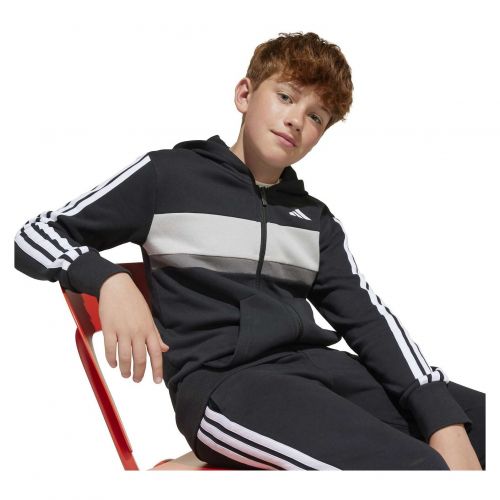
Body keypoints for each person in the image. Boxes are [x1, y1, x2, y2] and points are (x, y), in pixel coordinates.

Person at [14, 31, 485, 470]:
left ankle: (199, 463)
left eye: (317, 117)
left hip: (323, 375)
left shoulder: (313, 218)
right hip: (228, 387)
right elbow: (35, 233)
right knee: (416, 471)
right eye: (286, 97)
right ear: (245, 94)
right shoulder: (168, 177)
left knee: (474, 423)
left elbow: (367, 318)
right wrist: (110, 279)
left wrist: (441, 417)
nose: (297, 119)